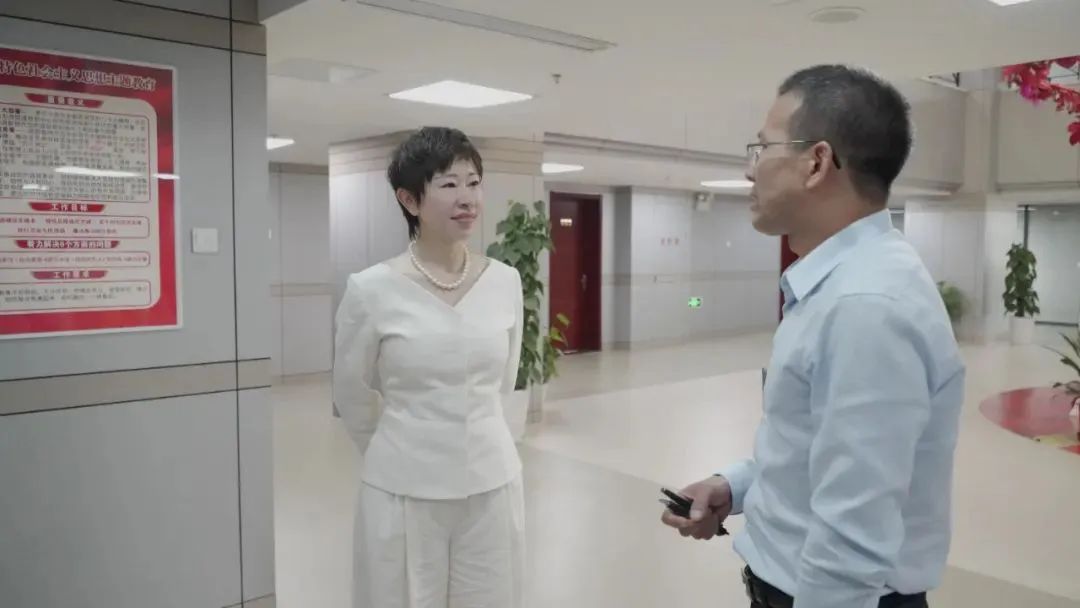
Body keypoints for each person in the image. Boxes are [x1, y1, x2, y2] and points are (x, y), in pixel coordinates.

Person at [661, 65, 965, 608]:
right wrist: (735, 487)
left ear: (817, 162)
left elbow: (853, 538)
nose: (750, 170)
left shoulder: (865, 306)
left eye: (763, 148)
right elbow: (812, 454)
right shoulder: (841, 286)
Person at [333, 126, 525, 608]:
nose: (467, 198)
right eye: (449, 184)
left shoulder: (505, 281)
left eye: (474, 182)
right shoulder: (371, 289)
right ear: (409, 199)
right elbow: (351, 394)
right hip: (403, 488)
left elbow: (503, 382)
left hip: (490, 481)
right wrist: (403, 444)